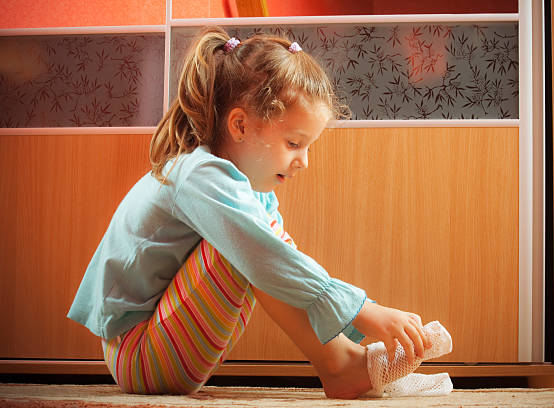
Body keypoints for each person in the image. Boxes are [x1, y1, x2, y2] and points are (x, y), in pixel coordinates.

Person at [67, 26, 436, 399]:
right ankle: (340, 365)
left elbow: (277, 256)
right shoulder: (198, 174)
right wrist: (363, 311)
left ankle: (343, 359)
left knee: (264, 236)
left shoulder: (238, 186)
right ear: (240, 125)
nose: (303, 162)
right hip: (139, 356)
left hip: (163, 345)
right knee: (255, 245)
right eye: (294, 143)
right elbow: (264, 255)